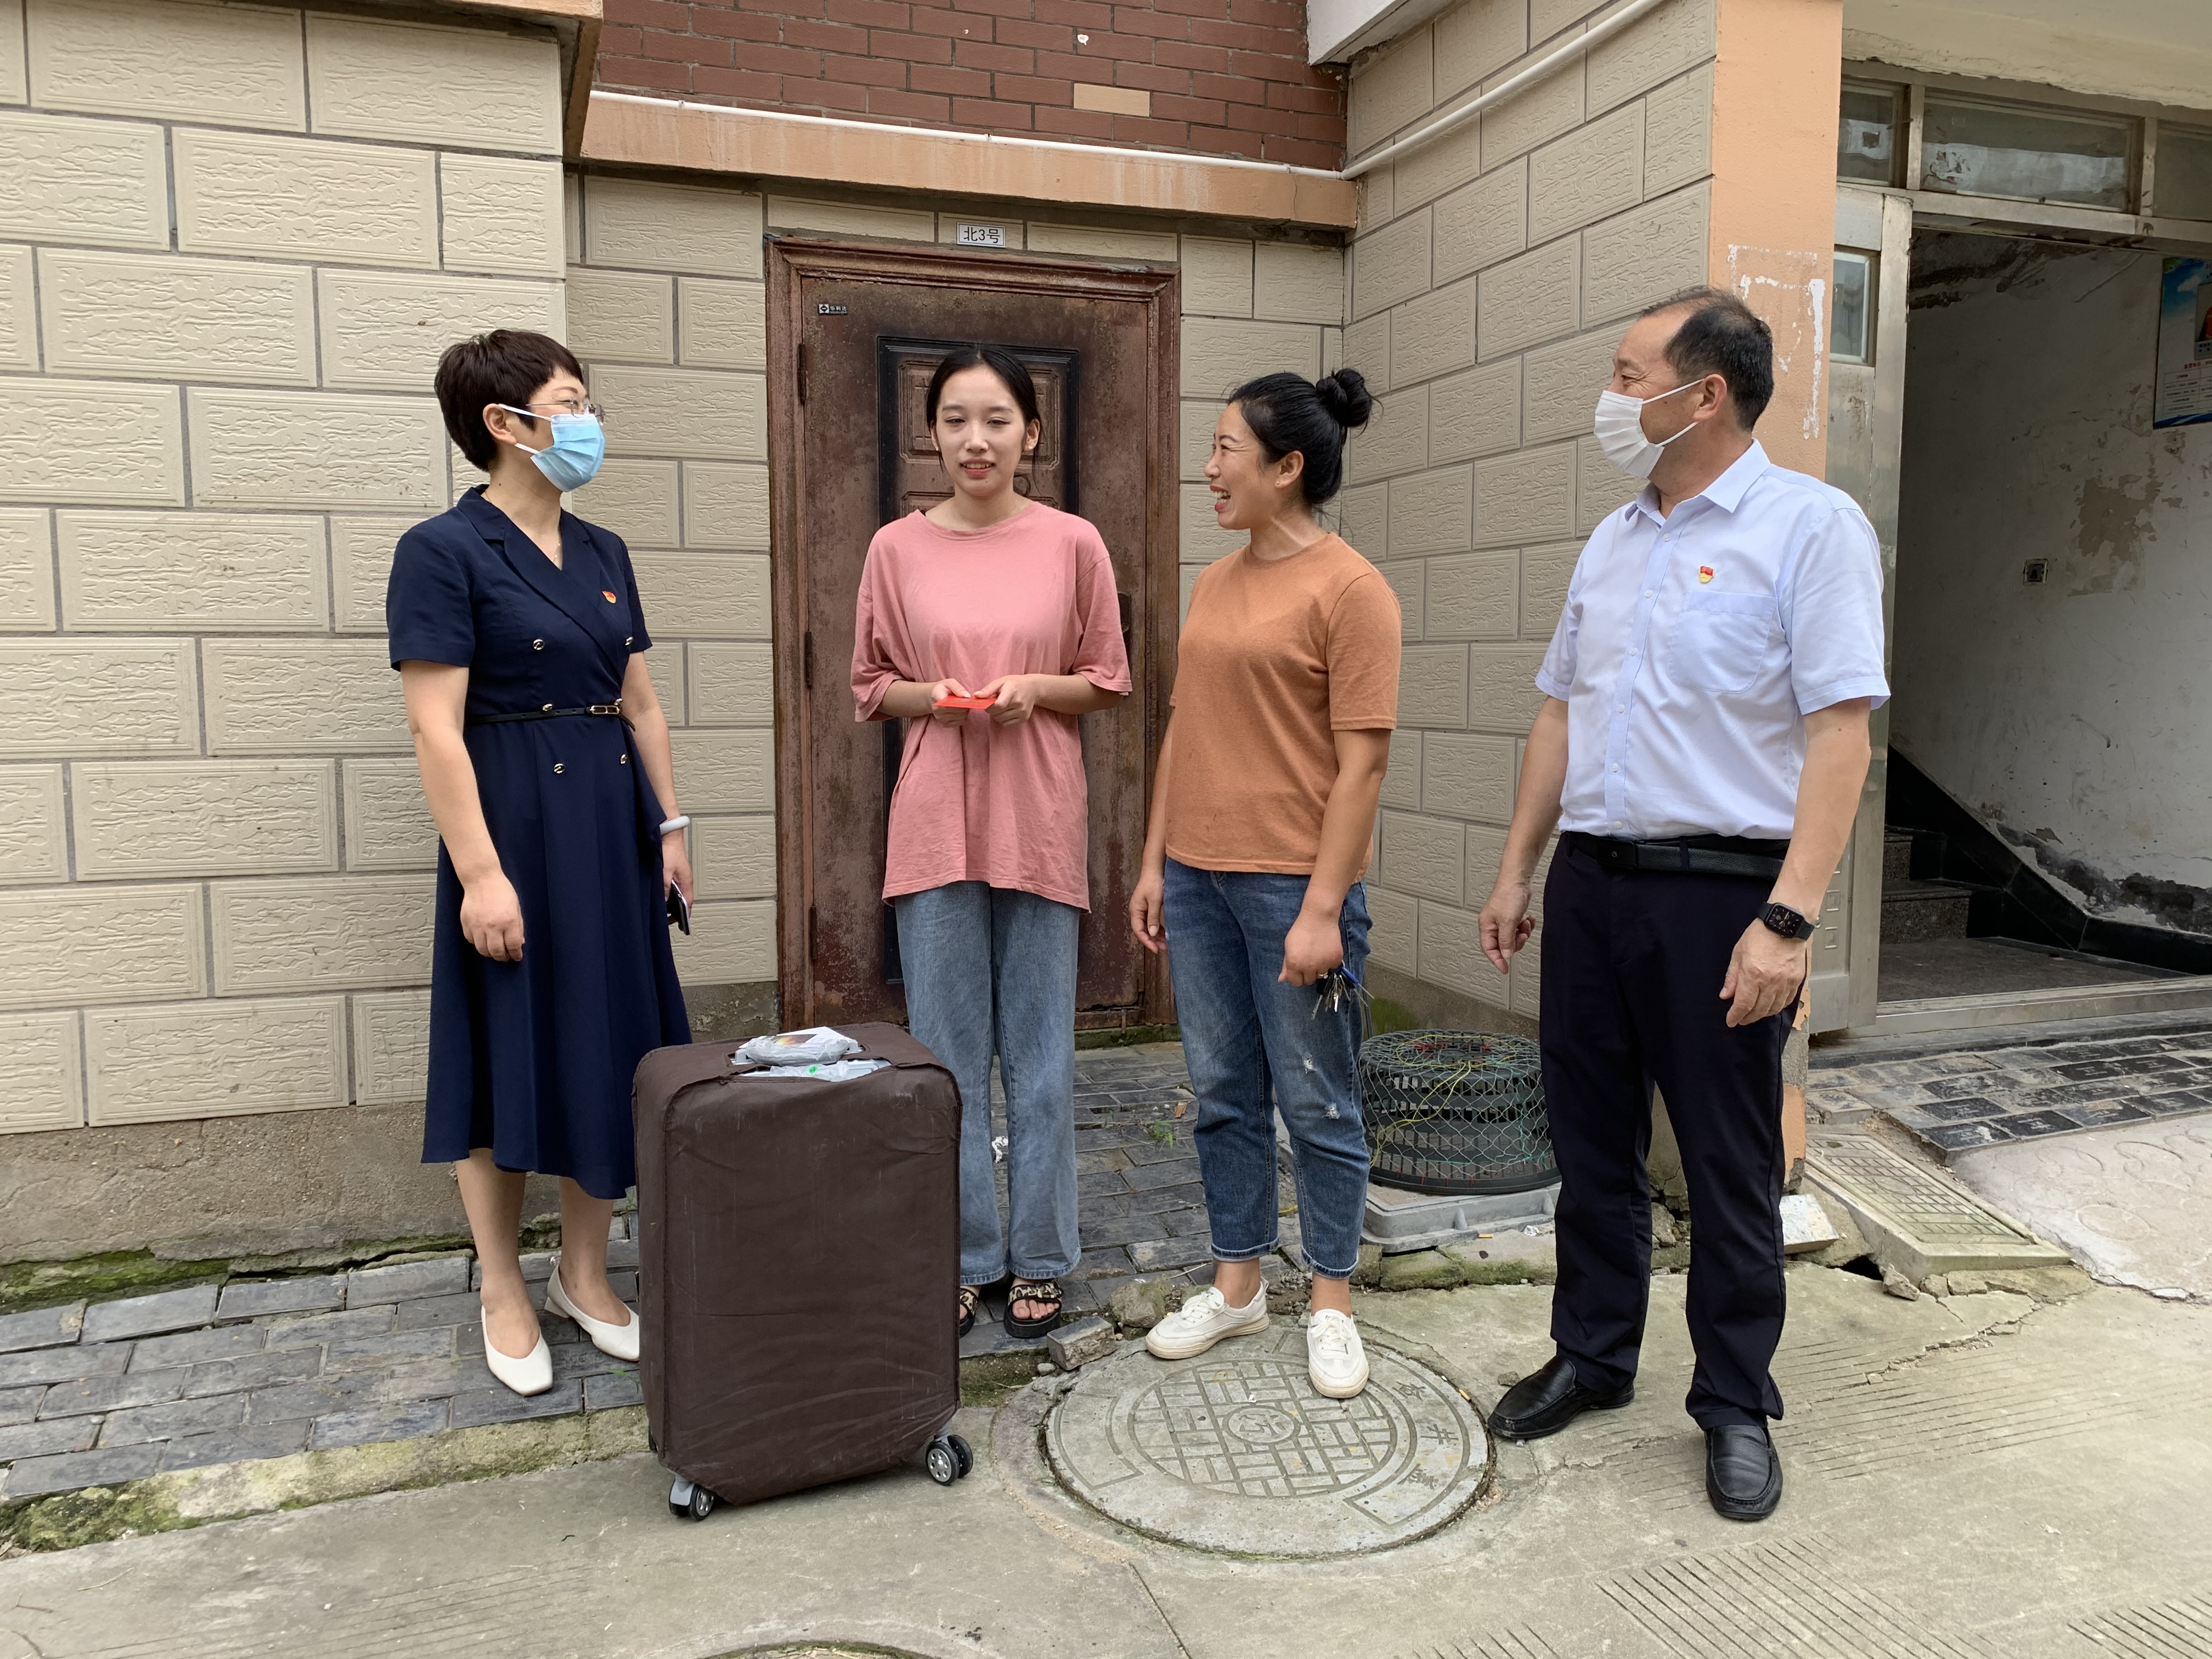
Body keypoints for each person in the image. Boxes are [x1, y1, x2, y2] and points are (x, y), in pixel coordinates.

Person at [1476, 289, 1887, 1521]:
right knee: (1590, 1144)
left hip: (1723, 900)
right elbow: (1561, 713)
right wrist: (1518, 869)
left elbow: (1841, 738)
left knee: (1727, 1159)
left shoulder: (1808, 528)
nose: (1610, 398)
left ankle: (1735, 1400)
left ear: (1703, 393)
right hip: (1593, 886)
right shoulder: (1614, 540)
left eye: (1627, 374)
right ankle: (1594, 1355)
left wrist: (1790, 921)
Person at [389, 330, 692, 1397]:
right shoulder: (442, 550)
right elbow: (435, 727)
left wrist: (671, 829)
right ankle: (500, 1284)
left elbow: (641, 704)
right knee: (504, 1043)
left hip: (611, 824)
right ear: (503, 423)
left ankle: (583, 1273)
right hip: (513, 824)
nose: (588, 421)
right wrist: (481, 875)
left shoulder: (605, 551)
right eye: (570, 402)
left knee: (611, 1040)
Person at [851, 346, 1131, 1342]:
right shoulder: (895, 548)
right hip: (934, 822)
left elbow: (1107, 676)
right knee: (947, 1058)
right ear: (932, 432)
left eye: (998, 420)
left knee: (1043, 1057)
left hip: (1040, 817)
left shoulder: (1073, 542)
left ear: (1032, 434)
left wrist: (1036, 691)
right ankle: (965, 1255)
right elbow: (870, 684)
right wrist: (935, 697)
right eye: (957, 420)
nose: (977, 440)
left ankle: (1042, 1254)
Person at [1130, 368, 1396, 1400]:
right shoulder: (1215, 581)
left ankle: (1330, 1299)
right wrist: (1156, 860)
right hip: (1198, 880)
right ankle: (1238, 1286)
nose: (1209, 468)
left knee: (1318, 1100)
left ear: (1287, 468)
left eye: (1225, 449)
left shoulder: (1353, 591)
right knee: (1222, 1095)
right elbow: (1184, 730)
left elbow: (1362, 767)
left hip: (1295, 887)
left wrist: (1325, 909)